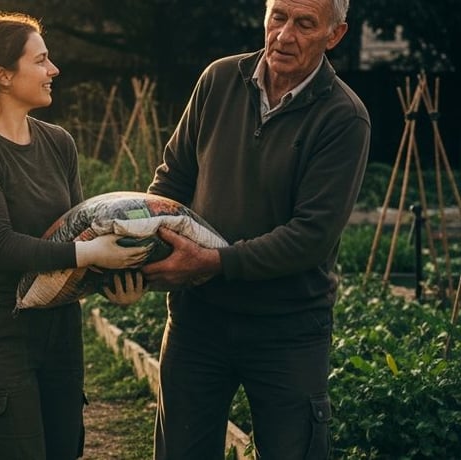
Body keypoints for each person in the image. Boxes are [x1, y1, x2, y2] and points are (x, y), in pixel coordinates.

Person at [140, 0, 370, 458]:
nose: (284, 35)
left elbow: (310, 236)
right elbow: (173, 179)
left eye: (305, 24)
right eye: (278, 16)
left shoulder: (344, 116)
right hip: (197, 319)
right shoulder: (220, 79)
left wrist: (212, 262)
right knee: (181, 450)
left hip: (286, 328)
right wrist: (141, 246)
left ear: (334, 35)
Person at [0, 13, 149, 459]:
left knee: (63, 450)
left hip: (59, 325)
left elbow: (82, 229)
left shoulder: (58, 143)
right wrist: (92, 254)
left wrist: (113, 285)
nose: (54, 70)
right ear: (4, 76)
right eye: (42, 61)